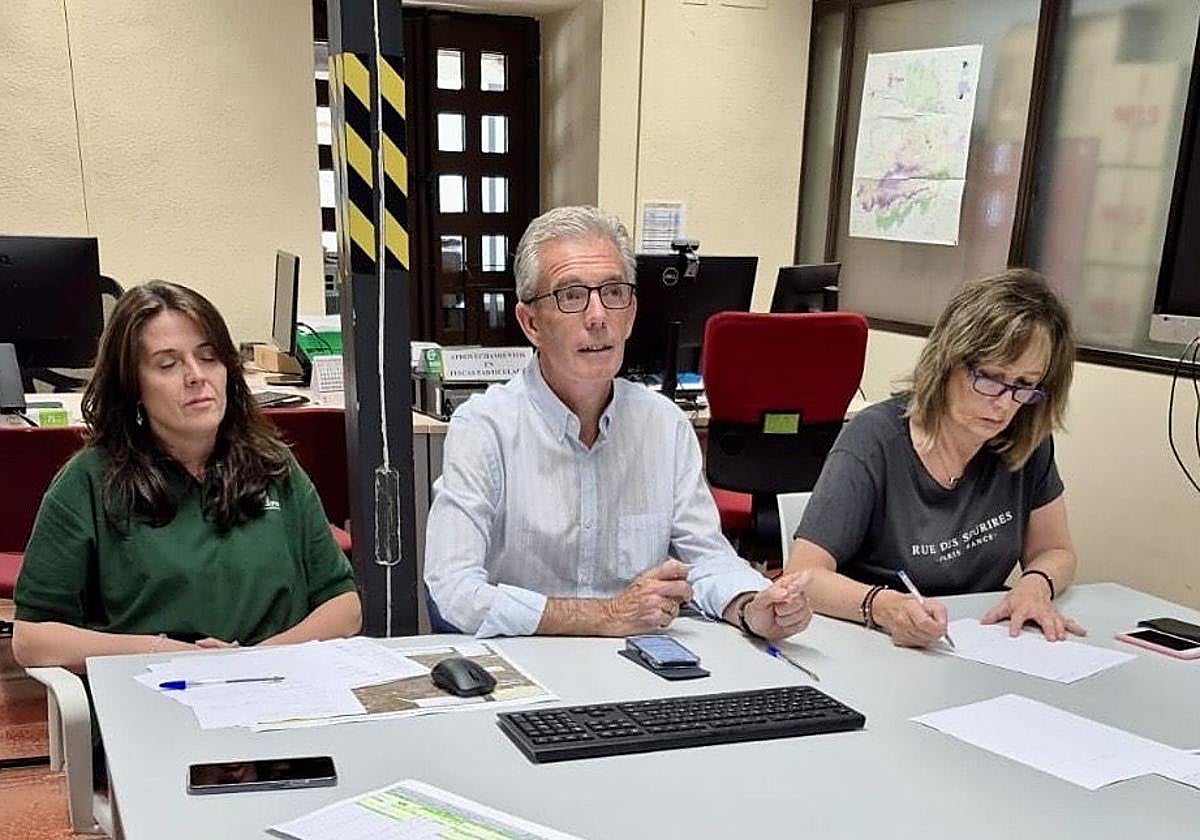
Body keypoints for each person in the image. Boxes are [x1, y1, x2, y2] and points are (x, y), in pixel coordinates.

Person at [424, 206, 811, 639]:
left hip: (640, 665)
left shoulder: (663, 425)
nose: (597, 316)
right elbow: (452, 589)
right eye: (571, 295)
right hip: (527, 666)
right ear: (530, 322)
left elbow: (705, 558)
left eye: (613, 292)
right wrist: (605, 616)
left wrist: (751, 606)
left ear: (630, 313)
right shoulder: (485, 427)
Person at [13, 281, 362, 673]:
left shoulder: (272, 465)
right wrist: (164, 654)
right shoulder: (89, 481)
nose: (196, 375)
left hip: (275, 692)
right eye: (168, 363)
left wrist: (253, 662)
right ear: (133, 386)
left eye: (209, 357)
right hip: (153, 695)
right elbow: (32, 639)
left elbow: (344, 605)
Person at [785, 268, 1084, 648]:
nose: (1005, 403)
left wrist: (1035, 584)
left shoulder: (1026, 441)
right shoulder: (875, 439)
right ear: (948, 362)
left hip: (982, 643)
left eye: (1025, 386)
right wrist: (887, 607)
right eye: (991, 377)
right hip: (875, 643)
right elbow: (803, 574)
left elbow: (1055, 551)